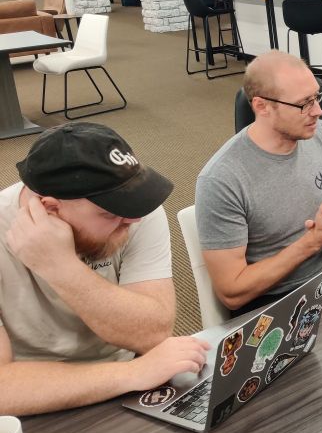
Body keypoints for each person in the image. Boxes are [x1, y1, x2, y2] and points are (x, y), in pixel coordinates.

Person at [0, 123, 209, 416]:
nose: (132, 219)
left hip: (131, 383)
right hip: (36, 400)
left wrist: (63, 268)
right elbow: (4, 389)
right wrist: (131, 374)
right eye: (109, 212)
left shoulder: (135, 212)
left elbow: (152, 333)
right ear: (49, 209)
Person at [196, 51, 322, 315]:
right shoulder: (222, 178)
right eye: (304, 103)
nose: (319, 111)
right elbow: (231, 293)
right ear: (262, 106)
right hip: (271, 301)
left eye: (317, 96)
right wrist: (313, 242)